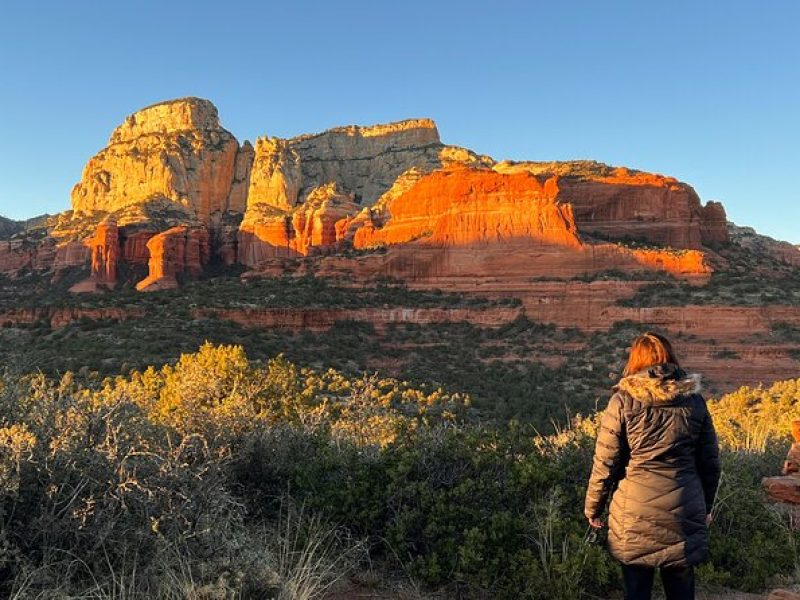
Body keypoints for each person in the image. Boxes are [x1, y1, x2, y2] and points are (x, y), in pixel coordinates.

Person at [584, 332, 721, 600]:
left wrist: (593, 508)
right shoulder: (694, 402)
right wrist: (706, 506)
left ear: (635, 361)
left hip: (634, 511)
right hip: (684, 508)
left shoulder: (622, 402)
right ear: (670, 358)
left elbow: (605, 462)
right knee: (681, 591)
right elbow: (710, 463)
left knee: (636, 590)